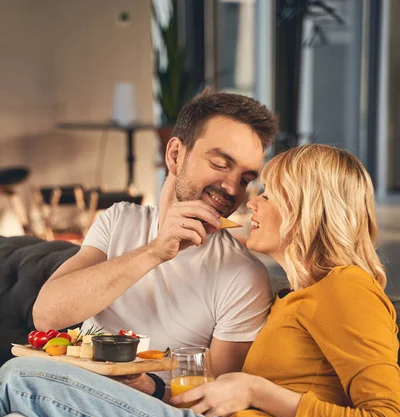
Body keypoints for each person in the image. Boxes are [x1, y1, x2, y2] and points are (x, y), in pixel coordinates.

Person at [1, 144, 399, 417]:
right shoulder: (291, 301)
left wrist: (255, 390)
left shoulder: (347, 288)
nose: (252, 201)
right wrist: (155, 387)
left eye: (267, 191)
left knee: (21, 376)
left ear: (308, 207)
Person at [33, 90, 278, 396]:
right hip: (74, 394)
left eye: (245, 180)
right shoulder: (119, 220)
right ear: (175, 155)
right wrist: (155, 252)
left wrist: (150, 385)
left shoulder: (243, 273)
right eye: (219, 164)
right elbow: (46, 316)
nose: (231, 188)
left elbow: (217, 396)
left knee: (15, 380)